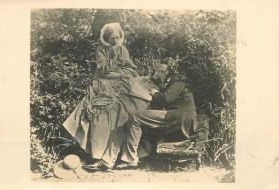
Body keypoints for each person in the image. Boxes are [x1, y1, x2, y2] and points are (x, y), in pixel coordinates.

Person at [63, 23, 151, 172]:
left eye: (117, 38)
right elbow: (102, 70)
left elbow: (129, 69)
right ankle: (99, 155)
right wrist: (116, 67)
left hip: (123, 84)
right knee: (100, 115)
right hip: (103, 84)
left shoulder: (123, 50)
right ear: (106, 38)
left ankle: (122, 157)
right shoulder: (100, 50)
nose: (115, 41)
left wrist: (120, 72)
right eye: (112, 38)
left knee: (129, 110)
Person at [116, 58, 209, 169]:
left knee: (135, 117)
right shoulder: (171, 81)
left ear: (171, 71)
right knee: (142, 119)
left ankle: (130, 159)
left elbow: (165, 99)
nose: (160, 73)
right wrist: (156, 80)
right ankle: (141, 157)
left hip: (178, 116)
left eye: (162, 71)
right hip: (175, 115)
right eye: (158, 70)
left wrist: (155, 93)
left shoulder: (178, 81)